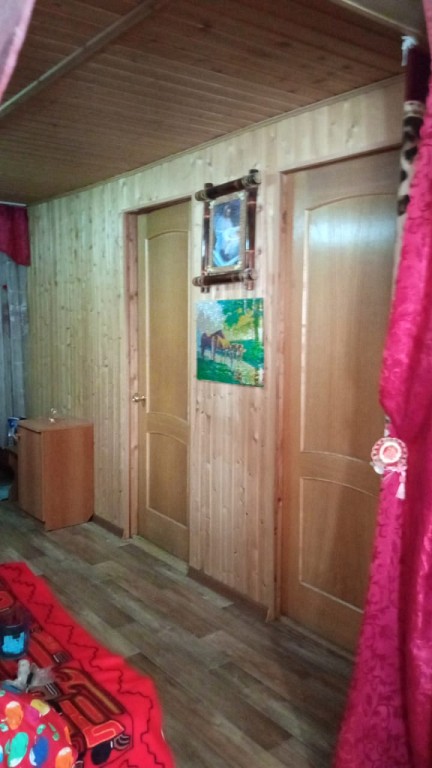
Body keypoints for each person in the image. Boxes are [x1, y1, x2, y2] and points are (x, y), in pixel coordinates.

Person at [212, 202, 240, 267]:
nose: (228, 212)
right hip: (222, 239)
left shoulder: (229, 220)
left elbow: (230, 229)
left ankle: (229, 256)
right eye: (227, 211)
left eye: (229, 211)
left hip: (228, 236)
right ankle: (226, 254)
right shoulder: (220, 220)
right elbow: (221, 232)